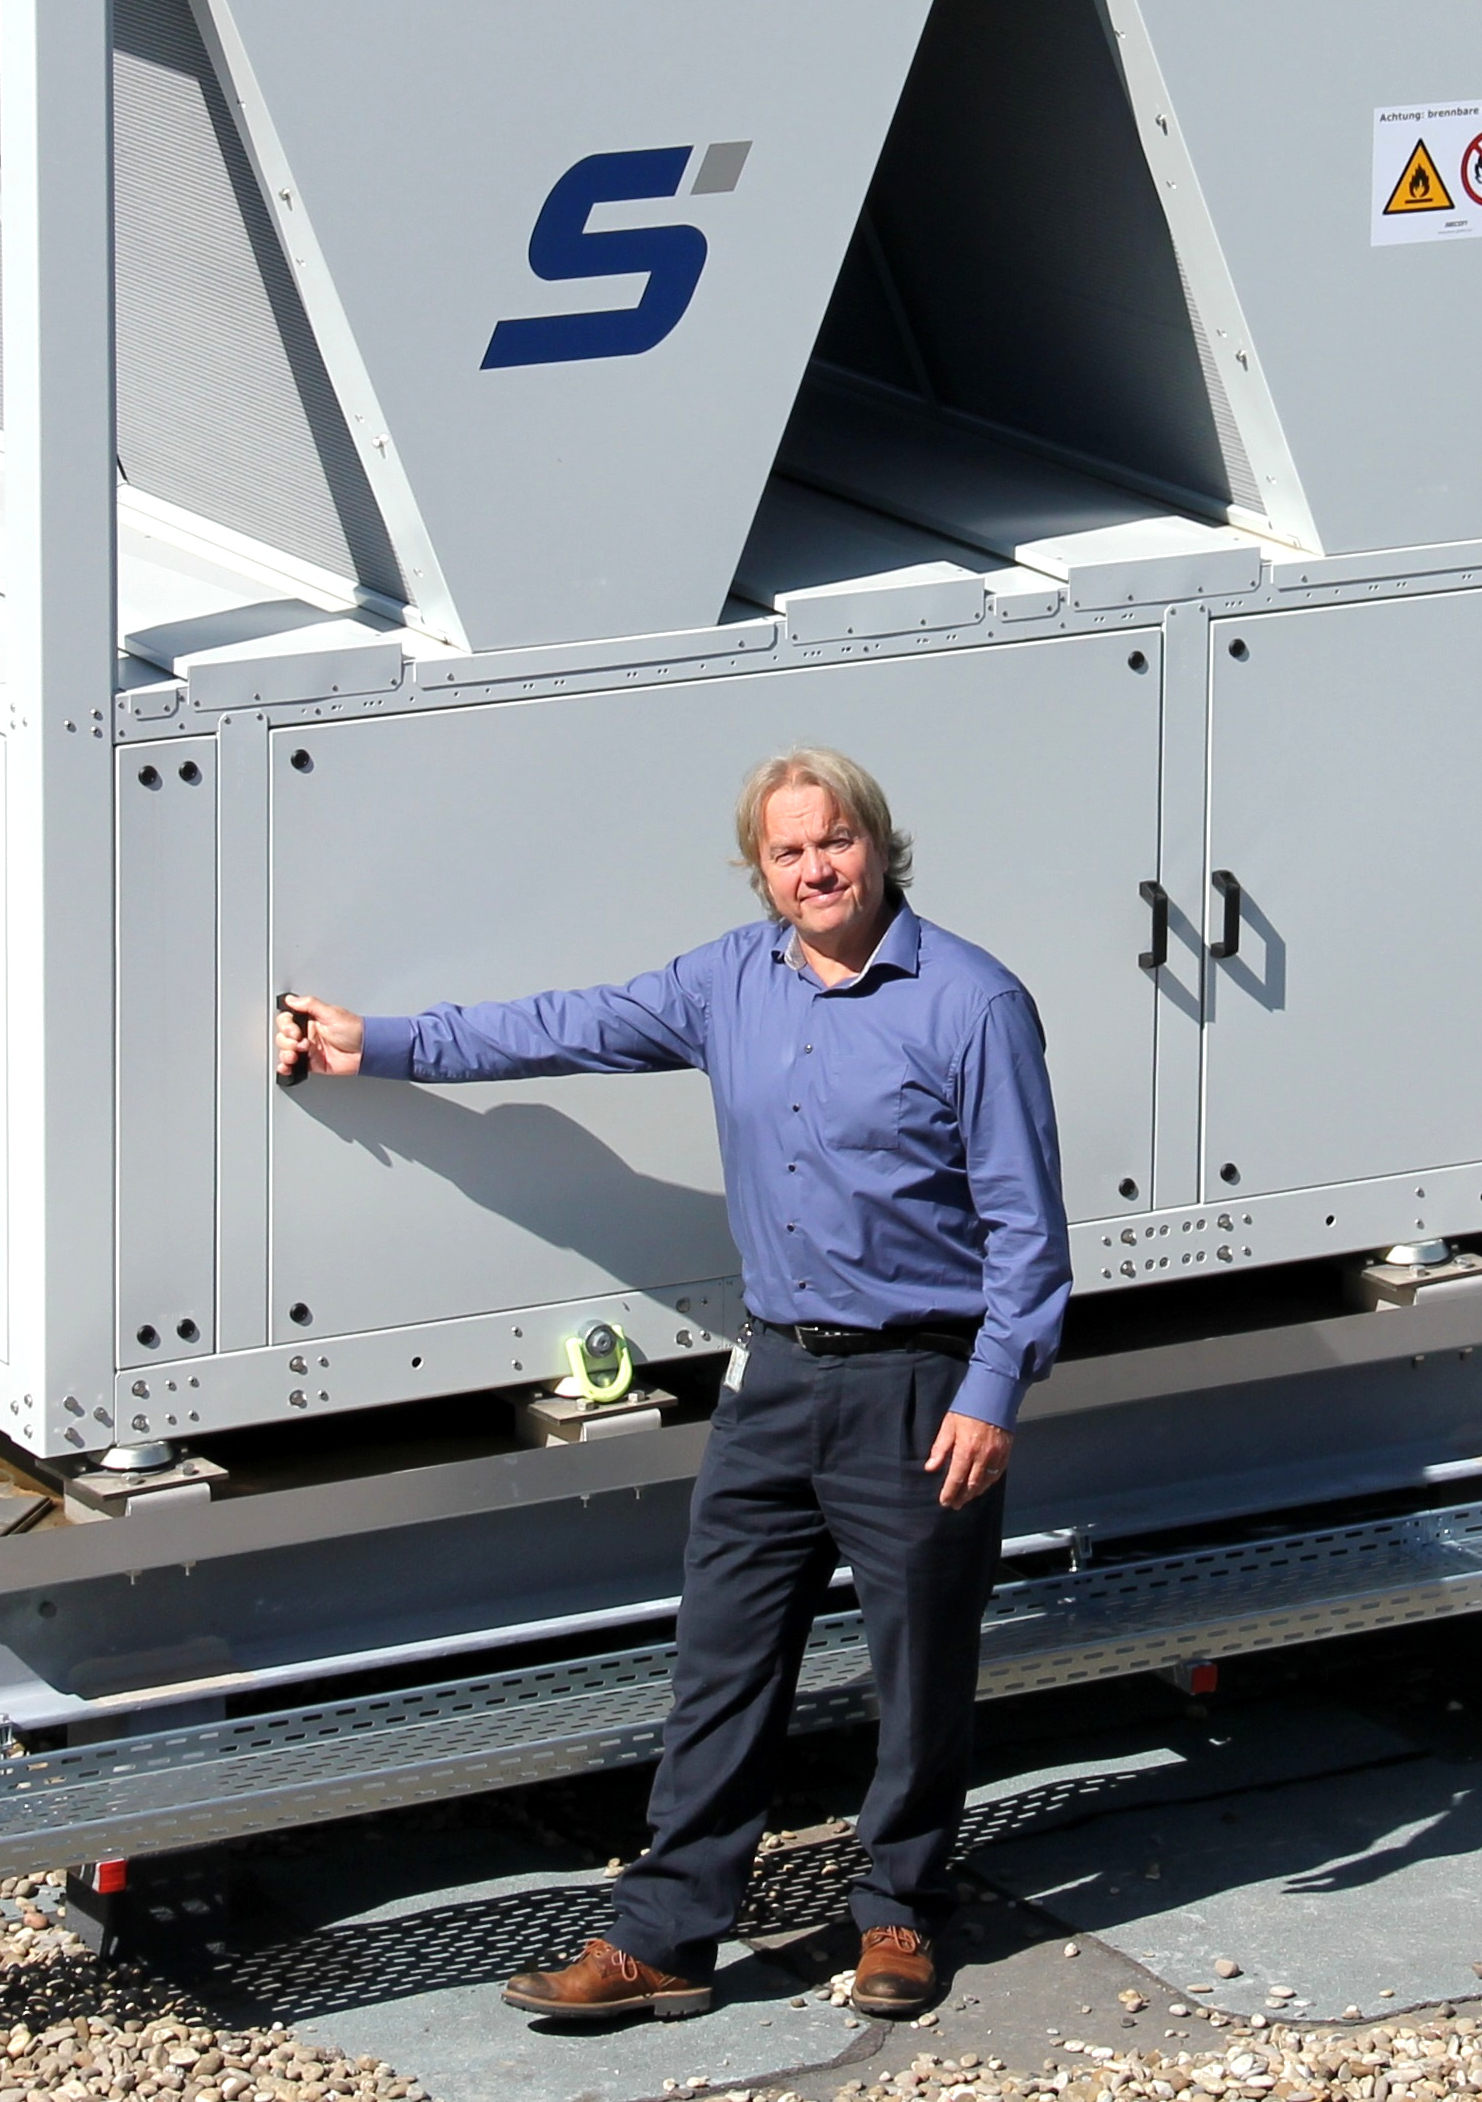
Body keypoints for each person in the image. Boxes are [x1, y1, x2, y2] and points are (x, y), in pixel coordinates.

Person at [274, 746, 1071, 2028]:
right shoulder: (727, 980)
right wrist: (379, 1044)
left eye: (834, 842)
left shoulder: (971, 1002)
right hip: (775, 1381)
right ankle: (667, 1937)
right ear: (761, 870)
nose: (815, 869)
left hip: (921, 1388)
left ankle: (902, 1914)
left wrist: (992, 1388)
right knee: (721, 1662)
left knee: (920, 1669)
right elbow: (562, 1025)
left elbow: (1028, 1226)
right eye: (787, 851)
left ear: (879, 844)